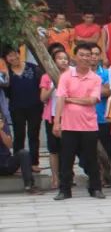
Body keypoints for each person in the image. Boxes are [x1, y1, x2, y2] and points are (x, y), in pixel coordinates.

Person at [53, 42, 104, 200]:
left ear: (92, 58)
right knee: (66, 159)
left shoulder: (95, 78)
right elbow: (61, 98)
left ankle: (95, 188)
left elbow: (92, 100)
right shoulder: (66, 76)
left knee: (91, 159)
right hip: (68, 124)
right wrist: (57, 122)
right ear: (75, 57)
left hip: (89, 125)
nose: (85, 58)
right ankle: (64, 190)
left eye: (88, 55)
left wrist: (71, 99)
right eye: (81, 55)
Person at [2, 46, 43, 173]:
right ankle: (19, 163)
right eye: (9, 56)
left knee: (33, 134)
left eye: (15, 54)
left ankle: (34, 162)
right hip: (16, 108)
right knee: (19, 135)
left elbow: (40, 85)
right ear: (6, 59)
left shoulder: (33, 68)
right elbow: (6, 91)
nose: (13, 58)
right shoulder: (6, 73)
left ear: (19, 54)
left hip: (35, 106)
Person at [39, 46, 68, 190]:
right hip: (51, 116)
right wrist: (53, 84)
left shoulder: (71, 75)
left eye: (65, 58)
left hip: (68, 116)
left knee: (67, 148)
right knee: (53, 149)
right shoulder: (46, 76)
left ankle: (67, 176)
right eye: (60, 58)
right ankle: (55, 177)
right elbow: (43, 98)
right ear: (53, 61)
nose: (63, 61)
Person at [0, 95, 37, 193]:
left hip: (6, 163)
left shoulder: (3, 125)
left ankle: (29, 185)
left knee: (23, 153)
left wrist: (1, 131)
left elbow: (10, 145)